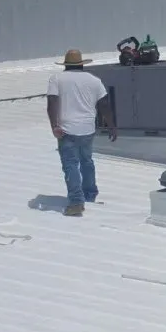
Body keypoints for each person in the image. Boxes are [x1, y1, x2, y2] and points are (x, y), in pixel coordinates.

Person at [46, 49, 113, 216]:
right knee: (87, 161)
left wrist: (54, 125)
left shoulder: (56, 79)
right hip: (88, 128)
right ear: (82, 64)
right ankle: (90, 194)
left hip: (66, 129)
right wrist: (112, 126)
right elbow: (104, 104)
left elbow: (52, 102)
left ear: (66, 64)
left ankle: (76, 201)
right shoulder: (94, 80)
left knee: (71, 165)